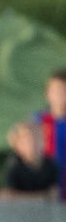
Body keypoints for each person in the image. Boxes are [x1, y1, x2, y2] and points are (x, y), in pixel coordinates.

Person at [0, 121, 59, 200]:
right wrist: (40, 197)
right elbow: (8, 196)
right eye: (26, 141)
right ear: (17, 146)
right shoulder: (14, 165)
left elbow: (54, 194)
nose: (33, 145)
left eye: (38, 139)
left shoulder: (51, 164)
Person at [32, 69, 66, 202]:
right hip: (45, 189)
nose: (62, 96)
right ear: (48, 94)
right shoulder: (37, 121)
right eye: (58, 91)